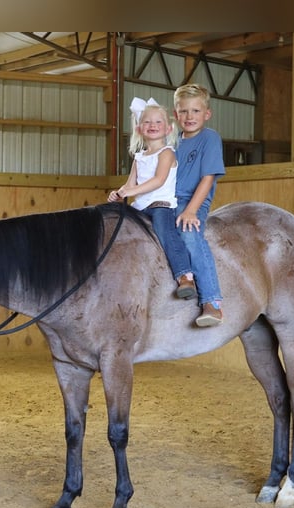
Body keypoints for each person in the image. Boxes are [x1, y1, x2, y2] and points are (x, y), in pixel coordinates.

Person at [108, 97, 196, 300]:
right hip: (139, 207)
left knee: (165, 231)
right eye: (147, 122)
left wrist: (132, 191)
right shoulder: (139, 158)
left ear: (167, 129)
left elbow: (158, 180)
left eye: (158, 122)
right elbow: (130, 184)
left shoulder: (166, 154)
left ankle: (184, 275)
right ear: (139, 129)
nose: (153, 126)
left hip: (160, 206)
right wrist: (119, 192)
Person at [173, 83, 226, 327]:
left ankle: (211, 301)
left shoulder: (210, 138)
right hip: (166, 200)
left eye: (195, 111)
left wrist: (191, 210)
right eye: (183, 111)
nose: (189, 117)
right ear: (175, 114)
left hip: (192, 200)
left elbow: (208, 178)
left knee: (190, 235)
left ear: (207, 114)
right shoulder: (172, 140)